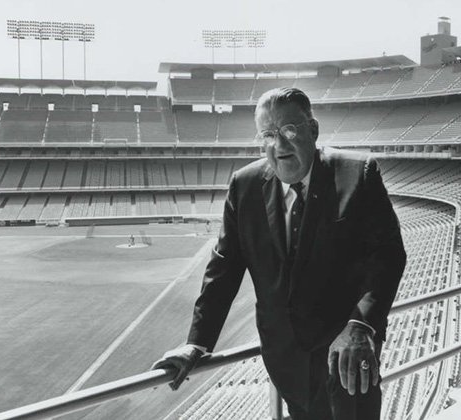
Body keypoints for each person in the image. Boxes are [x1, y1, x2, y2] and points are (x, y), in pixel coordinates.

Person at [152, 87, 406, 420]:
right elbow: (224, 269)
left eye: (289, 130)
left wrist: (360, 326)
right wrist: (196, 343)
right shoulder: (244, 185)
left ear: (312, 130)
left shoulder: (357, 173)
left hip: (345, 355)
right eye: (268, 134)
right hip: (286, 363)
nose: (279, 145)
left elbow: (388, 256)